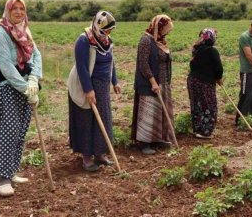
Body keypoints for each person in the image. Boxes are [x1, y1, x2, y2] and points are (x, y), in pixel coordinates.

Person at [0, 0, 42, 197]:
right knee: (8, 131)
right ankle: (3, 178)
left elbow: (36, 56)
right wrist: (26, 88)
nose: (18, 12)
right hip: (6, 87)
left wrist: (34, 80)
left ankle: (12, 171)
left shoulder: (25, 31)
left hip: (26, 85)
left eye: (22, 8)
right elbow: (7, 68)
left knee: (21, 131)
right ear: (7, 11)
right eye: (14, 8)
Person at [68, 11, 121, 172]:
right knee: (86, 120)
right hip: (86, 84)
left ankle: (100, 154)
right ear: (98, 26)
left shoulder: (106, 41)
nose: (108, 33)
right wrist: (88, 90)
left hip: (102, 87)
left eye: (110, 30)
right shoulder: (84, 41)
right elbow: (82, 68)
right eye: (106, 30)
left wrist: (114, 81)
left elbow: (111, 62)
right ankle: (86, 157)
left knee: (103, 119)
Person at [131, 14, 175, 155]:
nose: (166, 32)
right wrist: (153, 81)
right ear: (158, 27)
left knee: (160, 112)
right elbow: (143, 64)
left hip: (163, 82)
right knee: (148, 112)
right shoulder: (146, 40)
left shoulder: (160, 41)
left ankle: (157, 139)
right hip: (150, 84)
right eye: (165, 29)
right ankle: (144, 143)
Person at [187, 28, 223, 139]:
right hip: (205, 83)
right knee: (209, 105)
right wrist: (219, 78)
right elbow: (218, 68)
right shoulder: (212, 51)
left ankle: (198, 129)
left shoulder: (196, 49)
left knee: (197, 105)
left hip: (193, 81)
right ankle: (205, 131)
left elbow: (192, 65)